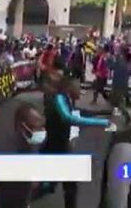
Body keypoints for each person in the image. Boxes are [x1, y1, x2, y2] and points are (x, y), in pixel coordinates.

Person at [43, 77, 110, 208]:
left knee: (67, 186)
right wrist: (100, 122)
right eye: (78, 88)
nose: (81, 91)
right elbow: (69, 118)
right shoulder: (59, 99)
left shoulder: (65, 100)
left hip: (60, 147)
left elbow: (78, 114)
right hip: (55, 147)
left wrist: (104, 113)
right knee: (59, 185)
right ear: (70, 88)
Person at [0, 102, 47, 208]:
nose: (41, 132)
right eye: (36, 128)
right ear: (22, 126)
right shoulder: (6, 152)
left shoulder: (32, 142)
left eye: (42, 127)